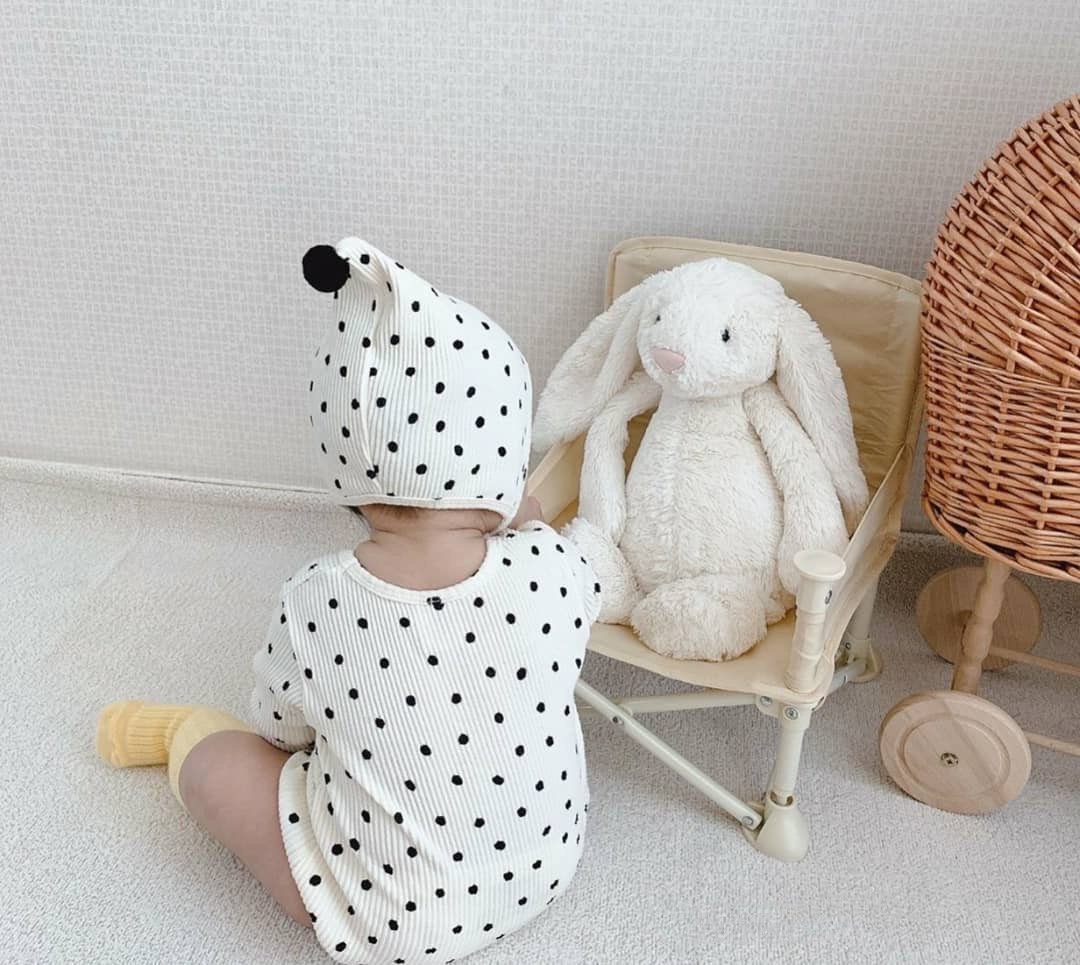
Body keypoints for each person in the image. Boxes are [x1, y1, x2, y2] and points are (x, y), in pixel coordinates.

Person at [95, 238, 602, 965]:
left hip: (387, 922)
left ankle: (177, 732)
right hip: (547, 867)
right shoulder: (555, 568)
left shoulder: (317, 600)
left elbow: (277, 729)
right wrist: (523, 525)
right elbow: (571, 590)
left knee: (227, 764)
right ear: (501, 461)